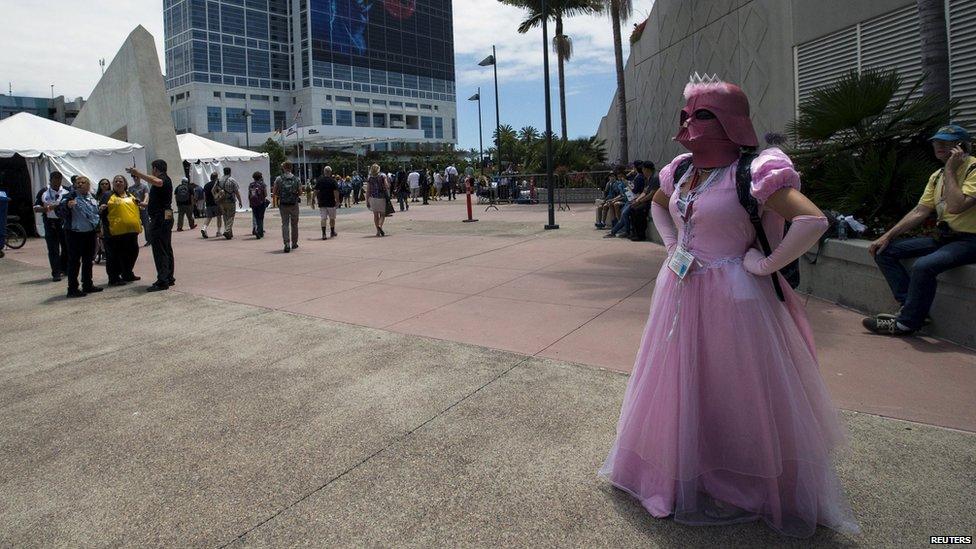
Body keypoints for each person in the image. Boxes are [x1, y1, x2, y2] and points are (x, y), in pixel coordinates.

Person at [599, 76, 858, 538]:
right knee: (679, 379)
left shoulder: (755, 171)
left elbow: (812, 219)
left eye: (702, 114)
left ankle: (739, 475)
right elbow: (659, 206)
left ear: (731, 120)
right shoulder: (680, 170)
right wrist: (674, 243)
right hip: (679, 288)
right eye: (687, 114)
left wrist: (766, 265)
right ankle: (685, 466)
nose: (689, 124)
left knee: (735, 386)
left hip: (735, 296)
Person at [864, 124, 976, 335]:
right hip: (945, 238)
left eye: (947, 143)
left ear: (962, 147)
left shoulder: (972, 170)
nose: (939, 146)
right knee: (884, 251)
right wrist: (886, 236)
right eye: (936, 141)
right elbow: (920, 211)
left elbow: (956, 206)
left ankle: (906, 324)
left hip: (970, 240)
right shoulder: (937, 176)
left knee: (924, 266)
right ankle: (911, 306)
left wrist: (951, 169)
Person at [127, 159, 175, 292]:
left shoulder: (163, 179)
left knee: (160, 249)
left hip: (160, 217)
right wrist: (144, 204)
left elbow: (157, 182)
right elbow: (160, 201)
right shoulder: (166, 180)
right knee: (166, 247)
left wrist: (138, 173)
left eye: (152, 169)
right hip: (166, 214)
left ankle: (162, 280)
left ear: (155, 169)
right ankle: (168, 277)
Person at [59, 176, 103, 298]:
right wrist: (67, 206)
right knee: (74, 261)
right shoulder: (69, 197)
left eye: (83, 182)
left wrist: (98, 229)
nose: (80, 184)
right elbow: (60, 212)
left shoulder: (92, 197)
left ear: (88, 185)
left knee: (88, 260)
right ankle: (72, 288)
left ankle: (88, 284)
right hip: (74, 234)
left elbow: (95, 215)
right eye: (78, 183)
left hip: (89, 233)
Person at [99, 174, 142, 286]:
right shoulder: (108, 195)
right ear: (113, 184)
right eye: (116, 181)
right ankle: (114, 278)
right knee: (114, 255)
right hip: (114, 233)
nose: (118, 183)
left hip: (131, 232)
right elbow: (102, 212)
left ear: (125, 184)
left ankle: (127, 273)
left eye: (120, 181)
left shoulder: (130, 195)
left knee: (132, 252)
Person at [33, 171, 70, 281]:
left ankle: (65, 268)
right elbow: (36, 207)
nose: (57, 182)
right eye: (54, 179)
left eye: (59, 179)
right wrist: (45, 209)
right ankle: (56, 272)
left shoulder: (67, 191)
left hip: (64, 222)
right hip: (50, 223)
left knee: (66, 247)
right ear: (50, 180)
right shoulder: (44, 192)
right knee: (53, 248)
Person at [607, 161, 656, 238]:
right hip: (636, 199)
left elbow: (647, 193)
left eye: (643, 169)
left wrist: (639, 200)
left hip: (646, 202)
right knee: (628, 211)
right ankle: (626, 231)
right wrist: (637, 200)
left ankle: (630, 232)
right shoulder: (646, 178)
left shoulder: (651, 178)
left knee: (627, 212)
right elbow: (644, 192)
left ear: (647, 169)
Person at [273, 161, 301, 252]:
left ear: (283, 168)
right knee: (294, 224)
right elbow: (300, 192)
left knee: (285, 224)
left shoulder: (279, 179)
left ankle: (287, 243)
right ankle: (294, 243)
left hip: (283, 204)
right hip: (294, 204)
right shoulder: (296, 179)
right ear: (291, 168)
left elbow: (275, 192)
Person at [214, 167, 242, 239]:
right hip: (230, 201)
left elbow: (214, 190)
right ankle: (227, 230)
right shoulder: (232, 180)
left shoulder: (219, 180)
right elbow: (236, 192)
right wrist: (240, 201)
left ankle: (229, 234)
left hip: (222, 201)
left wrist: (216, 197)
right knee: (231, 216)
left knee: (225, 217)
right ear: (230, 172)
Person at [316, 166, 340, 240]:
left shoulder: (319, 180)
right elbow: (335, 192)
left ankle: (323, 233)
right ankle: (332, 231)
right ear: (330, 172)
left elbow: (316, 190)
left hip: (322, 202)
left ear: (324, 172)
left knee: (323, 218)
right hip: (331, 202)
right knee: (332, 218)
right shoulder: (333, 181)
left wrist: (313, 200)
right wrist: (337, 200)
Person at [366, 163, 389, 237]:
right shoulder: (383, 176)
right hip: (381, 197)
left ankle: (377, 232)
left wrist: (367, 200)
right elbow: (386, 186)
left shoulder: (369, 178)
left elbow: (368, 190)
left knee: (375, 215)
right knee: (382, 214)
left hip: (373, 198)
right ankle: (380, 225)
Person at [128, 173, 152, 246]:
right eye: (134, 177)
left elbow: (146, 195)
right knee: (134, 225)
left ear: (139, 178)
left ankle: (149, 240)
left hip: (143, 209)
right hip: (134, 209)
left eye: (137, 177)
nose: (135, 178)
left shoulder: (144, 187)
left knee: (146, 225)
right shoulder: (131, 188)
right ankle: (133, 242)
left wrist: (144, 203)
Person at [200, 172, 223, 239]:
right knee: (219, 217)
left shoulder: (206, 185)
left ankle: (204, 228)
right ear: (216, 177)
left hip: (208, 204)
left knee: (209, 217)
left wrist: (204, 203)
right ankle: (218, 232)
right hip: (216, 203)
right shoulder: (217, 185)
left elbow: (204, 196)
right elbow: (219, 193)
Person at [248, 172, 269, 239]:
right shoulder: (262, 184)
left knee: (256, 217)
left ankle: (258, 229)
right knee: (261, 217)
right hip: (261, 202)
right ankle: (259, 231)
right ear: (260, 177)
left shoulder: (251, 185)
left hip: (254, 203)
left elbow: (249, 195)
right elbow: (265, 194)